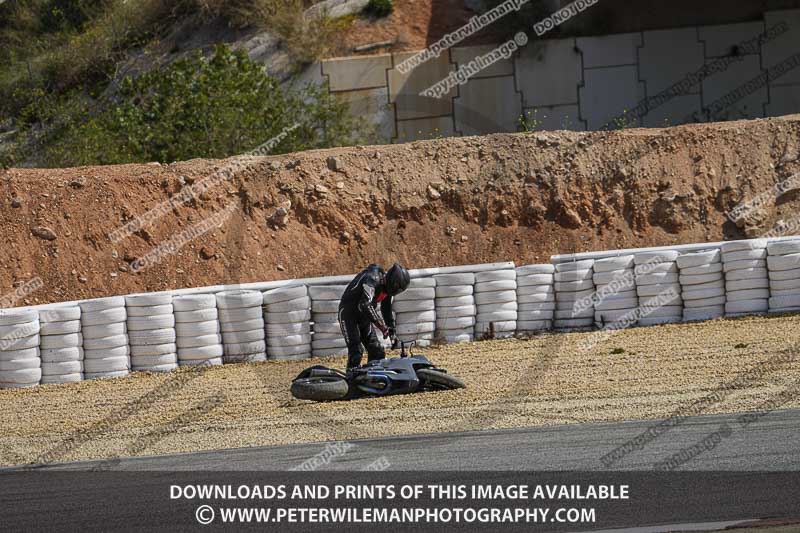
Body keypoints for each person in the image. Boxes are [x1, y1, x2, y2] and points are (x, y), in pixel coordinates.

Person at [338, 263, 411, 371]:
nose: (396, 292)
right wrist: (381, 325)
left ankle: (372, 378)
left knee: (377, 351)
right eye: (397, 288)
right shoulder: (372, 279)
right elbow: (364, 304)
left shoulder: (386, 288)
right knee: (357, 351)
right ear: (393, 281)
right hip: (348, 315)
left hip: (363, 316)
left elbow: (386, 309)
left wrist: (392, 331)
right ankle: (350, 380)